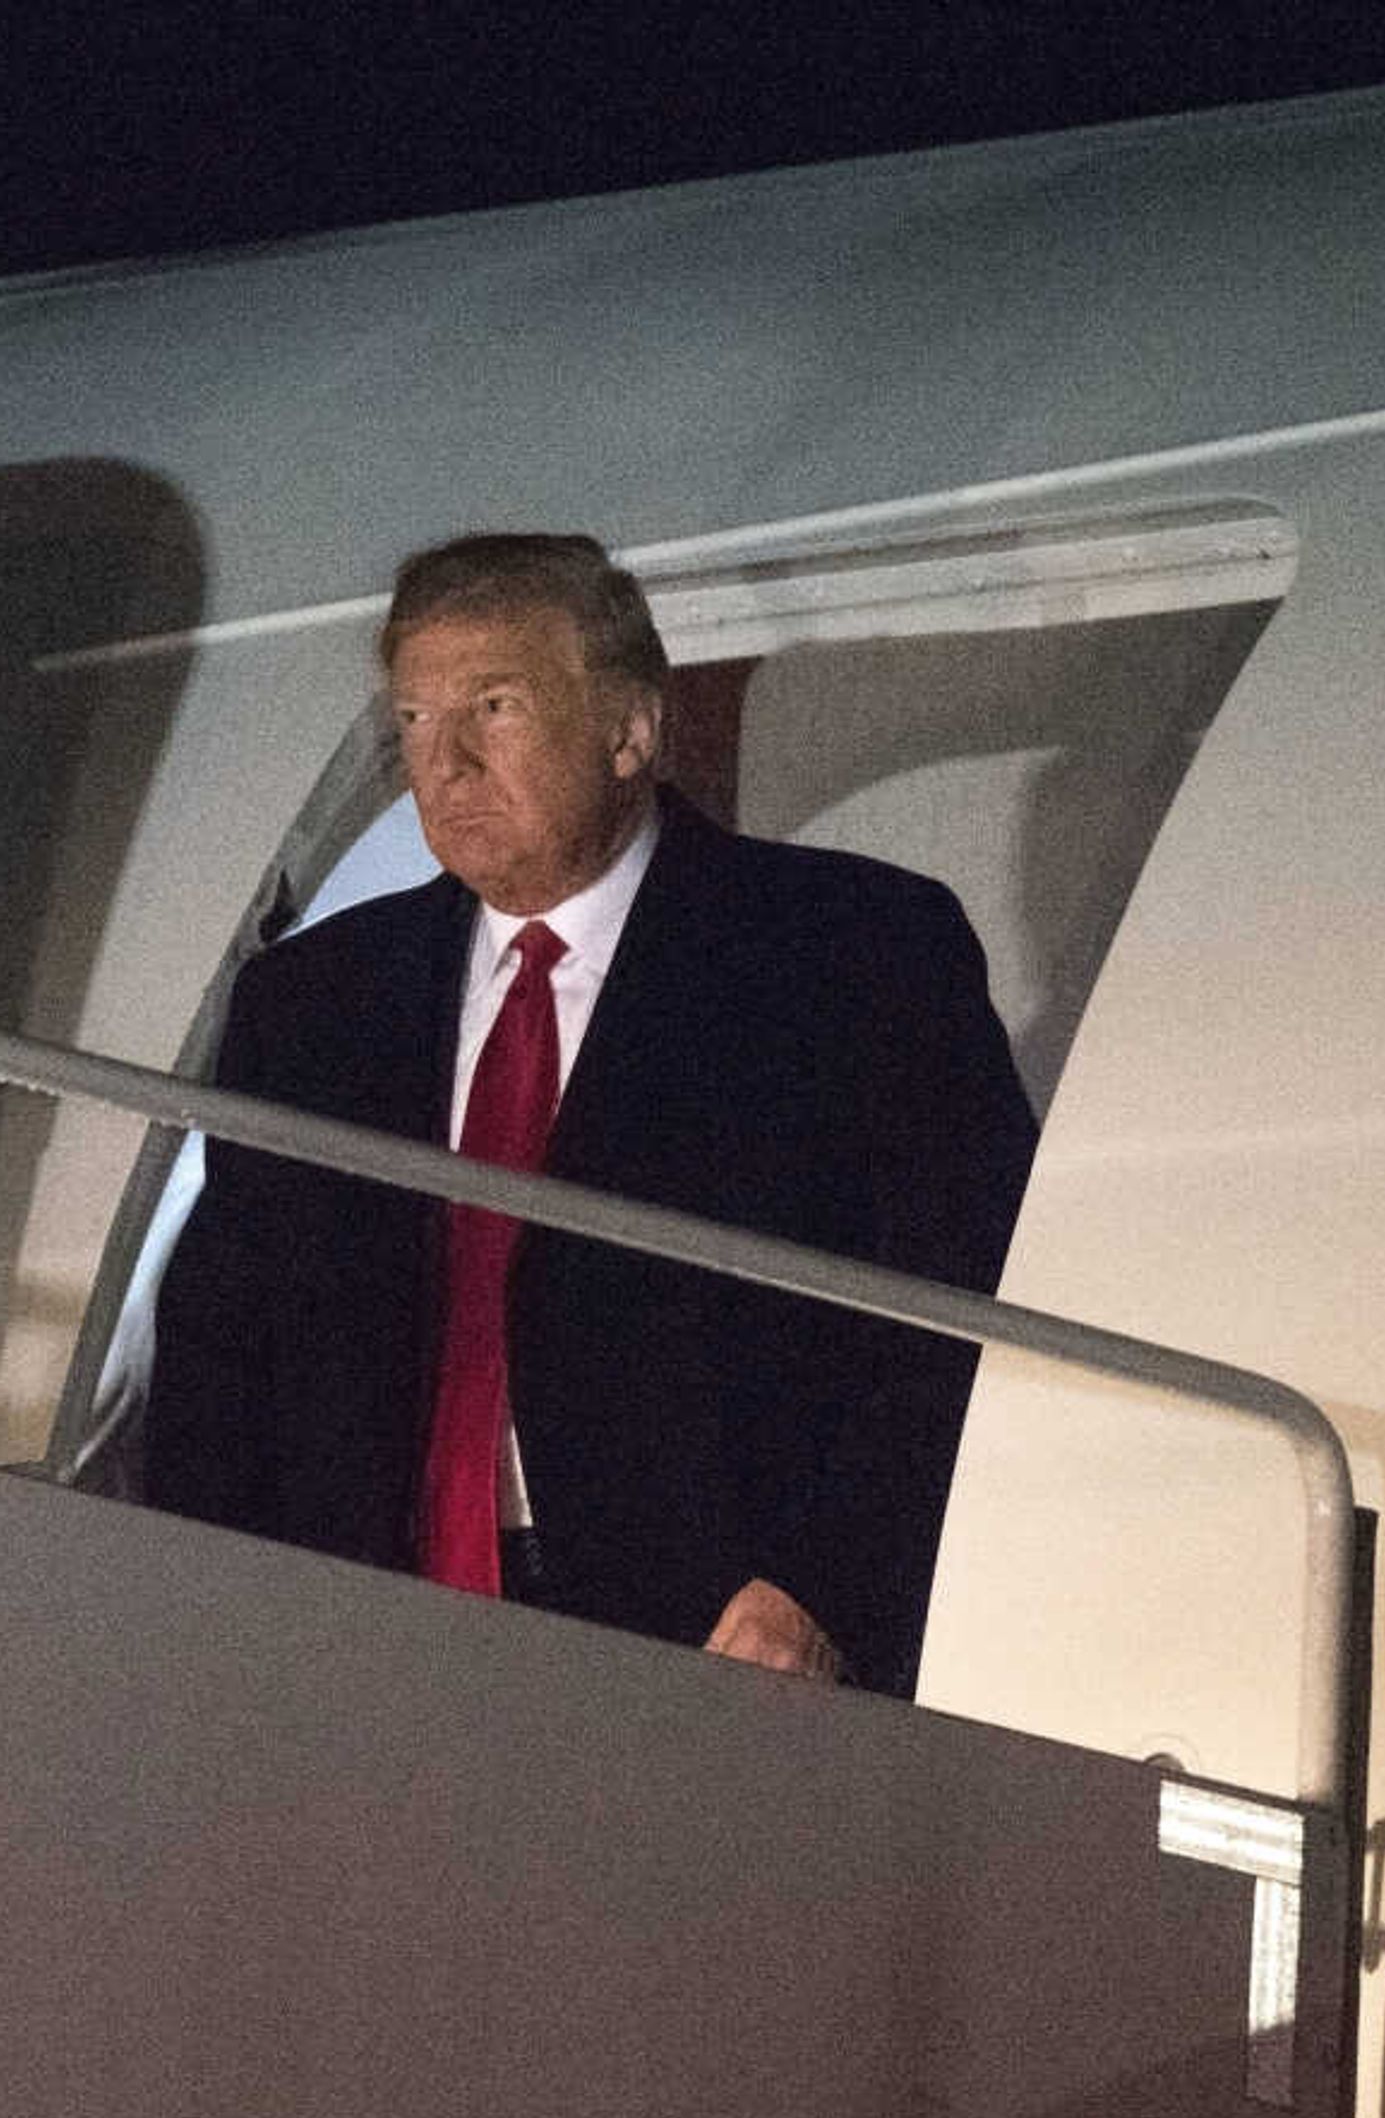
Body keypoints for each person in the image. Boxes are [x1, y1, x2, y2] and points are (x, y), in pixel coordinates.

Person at [143, 533, 1036, 1697]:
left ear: (632, 730)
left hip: (725, 1650)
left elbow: (955, 1303)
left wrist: (821, 1582)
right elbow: (223, 1350)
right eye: (413, 720)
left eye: (493, 706)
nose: (444, 762)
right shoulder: (312, 1003)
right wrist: (213, 1619)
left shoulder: (852, 952)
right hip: (369, 1646)